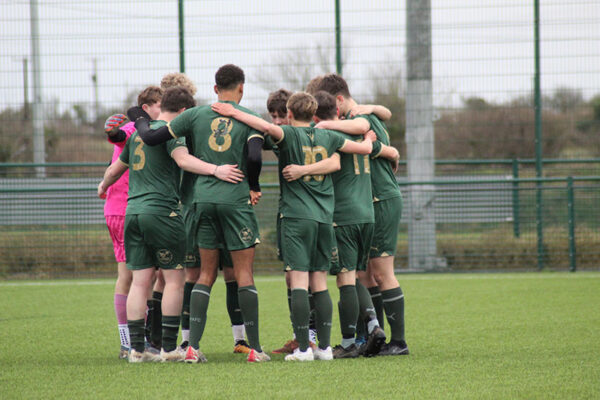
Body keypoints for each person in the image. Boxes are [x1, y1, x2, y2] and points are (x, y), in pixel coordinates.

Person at [211, 91, 376, 362]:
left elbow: (263, 126)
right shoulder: (329, 136)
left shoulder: (286, 135)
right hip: (325, 218)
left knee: (299, 281)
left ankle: (303, 349)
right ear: (313, 114)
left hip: (296, 218)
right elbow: (363, 150)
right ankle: (324, 348)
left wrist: (233, 112)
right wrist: (369, 139)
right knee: (320, 282)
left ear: (288, 114)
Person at [129, 64, 269, 363]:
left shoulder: (195, 115)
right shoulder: (251, 117)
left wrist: (138, 116)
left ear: (215, 88)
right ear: (241, 88)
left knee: (203, 274)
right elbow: (255, 156)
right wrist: (253, 185)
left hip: (200, 200)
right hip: (235, 199)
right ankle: (254, 349)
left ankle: (190, 346)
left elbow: (152, 138)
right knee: (242, 274)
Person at [99, 86, 244, 363]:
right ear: (184, 112)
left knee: (140, 281)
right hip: (162, 214)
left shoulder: (137, 135)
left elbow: (115, 169)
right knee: (174, 280)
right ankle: (168, 349)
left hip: (133, 213)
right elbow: (183, 160)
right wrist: (216, 169)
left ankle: (137, 350)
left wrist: (103, 185)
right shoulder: (171, 132)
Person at [284, 90, 400, 358]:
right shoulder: (358, 130)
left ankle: (351, 341)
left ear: (316, 117)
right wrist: (391, 152)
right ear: (337, 110)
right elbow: (373, 137)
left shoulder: (327, 137)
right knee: (358, 275)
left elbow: (333, 163)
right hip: (367, 213)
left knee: (345, 278)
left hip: (344, 215)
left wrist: (301, 170)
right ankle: (369, 327)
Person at [316, 74, 409, 356]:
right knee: (365, 274)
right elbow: (382, 118)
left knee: (381, 272)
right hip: (370, 201)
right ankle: (372, 336)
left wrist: (325, 124)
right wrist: (390, 150)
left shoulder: (357, 119)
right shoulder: (362, 115)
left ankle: (399, 342)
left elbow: (364, 127)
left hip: (380, 199)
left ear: (339, 100)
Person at [102, 85, 163, 359]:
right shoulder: (135, 128)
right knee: (132, 277)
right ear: (147, 107)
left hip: (126, 209)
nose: (163, 109)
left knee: (140, 276)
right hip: (126, 210)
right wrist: (112, 131)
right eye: (160, 104)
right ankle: (130, 342)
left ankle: (138, 340)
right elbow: (119, 136)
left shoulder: (151, 130)